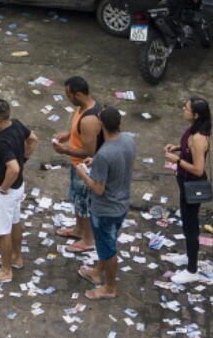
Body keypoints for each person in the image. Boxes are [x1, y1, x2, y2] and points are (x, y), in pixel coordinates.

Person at [75, 106, 136, 300]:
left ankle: (109, 287)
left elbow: (98, 188)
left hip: (106, 209)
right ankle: (96, 271)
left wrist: (83, 174)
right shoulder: (128, 139)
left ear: (101, 124)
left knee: (108, 249)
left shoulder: (105, 153)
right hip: (122, 202)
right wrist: (97, 163)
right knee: (106, 244)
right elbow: (119, 163)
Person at [0, 97, 38, 285]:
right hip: (19, 186)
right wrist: (24, 159)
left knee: (2, 230)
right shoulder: (17, 125)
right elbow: (33, 139)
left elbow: (12, 168)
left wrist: (4, 188)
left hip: (6, 189)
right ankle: (17, 257)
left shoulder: (1, 142)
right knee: (15, 221)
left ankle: (6, 270)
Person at [52, 76, 104, 254]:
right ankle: (78, 230)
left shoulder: (89, 119)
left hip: (86, 167)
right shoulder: (82, 108)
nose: (68, 98)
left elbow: (89, 151)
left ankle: (88, 240)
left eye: (69, 95)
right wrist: (68, 135)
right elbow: (78, 131)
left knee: (85, 204)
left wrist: (64, 150)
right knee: (77, 201)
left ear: (79, 94)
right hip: (77, 165)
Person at [163, 96, 211, 285]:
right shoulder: (194, 129)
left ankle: (192, 270)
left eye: (187, 108)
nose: (183, 109)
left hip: (193, 185)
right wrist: (177, 147)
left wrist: (177, 161)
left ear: (196, 115)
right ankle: (188, 257)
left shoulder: (199, 138)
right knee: (186, 221)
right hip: (184, 181)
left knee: (191, 226)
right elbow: (188, 148)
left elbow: (198, 169)